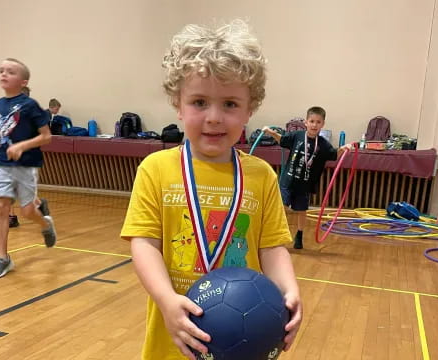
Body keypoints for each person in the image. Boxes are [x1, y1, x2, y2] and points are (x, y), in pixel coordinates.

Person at [121, 20, 303, 360]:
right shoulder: (155, 169)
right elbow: (144, 244)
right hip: (175, 335)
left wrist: (288, 288)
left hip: (245, 340)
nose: (215, 117)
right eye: (200, 102)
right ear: (178, 103)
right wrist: (165, 299)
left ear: (250, 109)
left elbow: (272, 248)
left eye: (231, 104)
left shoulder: (261, 175)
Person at [0, 58, 57, 279]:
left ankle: (45, 224)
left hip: (26, 165)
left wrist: (22, 146)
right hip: (2, 163)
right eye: (1, 71)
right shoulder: (0, 104)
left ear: (23, 81)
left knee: (26, 211)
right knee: (1, 207)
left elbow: (46, 137)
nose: (4, 74)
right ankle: (2, 258)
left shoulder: (30, 105)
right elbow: (7, 133)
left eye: (11, 72)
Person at [263, 106, 353, 249]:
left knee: (301, 210)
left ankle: (299, 235)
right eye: (311, 121)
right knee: (281, 207)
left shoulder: (323, 144)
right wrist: (271, 132)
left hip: (304, 184)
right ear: (306, 122)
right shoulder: (297, 136)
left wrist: (344, 148)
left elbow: (334, 155)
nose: (314, 125)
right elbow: (282, 140)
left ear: (322, 124)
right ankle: (277, 233)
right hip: (288, 180)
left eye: (318, 122)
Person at [0, 86, 50, 228]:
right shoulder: (5, 109)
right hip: (7, 160)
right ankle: (14, 215)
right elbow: (5, 132)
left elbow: (28, 137)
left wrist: (0, 141)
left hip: (25, 161)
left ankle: (38, 208)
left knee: (23, 198)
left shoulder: (30, 113)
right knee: (8, 193)